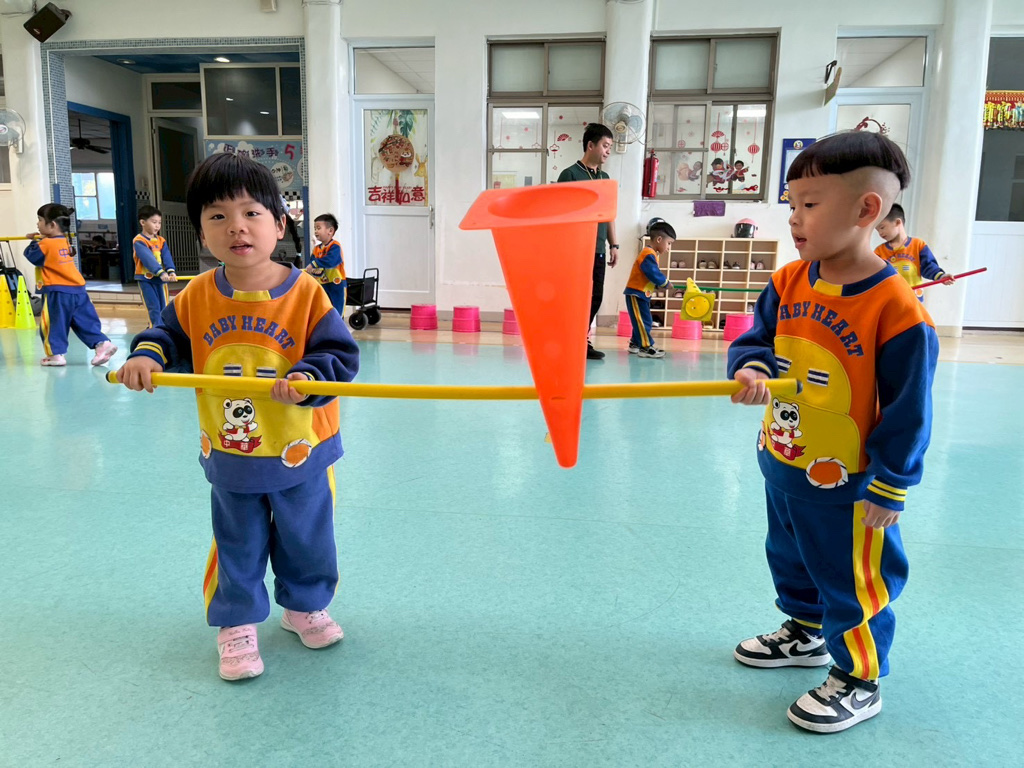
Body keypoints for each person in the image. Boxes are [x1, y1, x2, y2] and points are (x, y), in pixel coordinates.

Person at [115, 153, 360, 682]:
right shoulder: (197, 295)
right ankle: (237, 622)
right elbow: (167, 336)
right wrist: (147, 355)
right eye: (218, 216)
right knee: (237, 542)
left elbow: (339, 356)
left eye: (251, 213)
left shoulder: (307, 294)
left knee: (308, 537)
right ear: (201, 232)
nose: (237, 227)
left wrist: (310, 377)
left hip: (301, 449)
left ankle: (305, 605)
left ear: (279, 224)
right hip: (232, 450)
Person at [727, 131, 939, 733]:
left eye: (810, 204)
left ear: (867, 209)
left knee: (853, 579)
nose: (794, 219)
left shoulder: (897, 310)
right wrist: (751, 367)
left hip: (851, 482)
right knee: (790, 556)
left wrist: (891, 483)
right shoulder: (787, 282)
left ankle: (860, 678)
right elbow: (756, 340)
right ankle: (805, 632)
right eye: (792, 204)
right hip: (785, 458)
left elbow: (909, 409)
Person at [23, 204, 117, 367]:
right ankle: (102, 344)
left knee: (54, 323)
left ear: (52, 225)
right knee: (84, 320)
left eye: (40, 220)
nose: (37, 224)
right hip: (78, 289)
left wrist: (34, 241)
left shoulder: (46, 244)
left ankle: (55, 355)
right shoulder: (64, 241)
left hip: (57, 291)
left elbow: (32, 256)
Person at [556, 123, 618, 361]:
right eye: (605, 145)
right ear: (590, 145)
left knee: (596, 297)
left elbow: (609, 214)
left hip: (598, 249)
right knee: (575, 298)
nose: (608, 151)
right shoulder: (570, 175)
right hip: (575, 250)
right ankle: (570, 340)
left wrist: (614, 245)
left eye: (610, 147)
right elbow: (561, 215)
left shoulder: (604, 178)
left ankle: (580, 339)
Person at [874, 203, 954, 300]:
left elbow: (928, 266)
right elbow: (874, 276)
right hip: (890, 300)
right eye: (877, 230)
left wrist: (941, 276)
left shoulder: (918, 245)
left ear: (897, 222)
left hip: (913, 300)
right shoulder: (879, 251)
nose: (880, 233)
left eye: (882, 227)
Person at [624, 218, 673, 359]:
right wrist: (665, 282)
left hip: (641, 293)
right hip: (637, 293)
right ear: (659, 239)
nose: (669, 248)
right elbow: (652, 272)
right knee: (644, 321)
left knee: (640, 320)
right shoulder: (648, 254)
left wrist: (658, 285)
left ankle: (635, 343)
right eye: (669, 243)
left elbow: (647, 276)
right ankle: (645, 347)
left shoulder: (651, 253)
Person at [132, 205, 178, 328]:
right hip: (146, 279)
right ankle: (156, 329)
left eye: (159, 222)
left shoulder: (161, 240)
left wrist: (171, 271)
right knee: (153, 306)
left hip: (160, 279)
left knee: (164, 306)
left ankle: (164, 328)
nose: (157, 226)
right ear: (143, 222)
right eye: (154, 222)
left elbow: (166, 256)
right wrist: (160, 272)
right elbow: (148, 259)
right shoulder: (139, 241)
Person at [306, 213, 347, 315]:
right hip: (322, 282)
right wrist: (312, 269)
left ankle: (337, 323)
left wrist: (314, 265)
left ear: (330, 231)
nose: (316, 231)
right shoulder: (316, 248)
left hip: (336, 283)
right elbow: (312, 262)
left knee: (337, 307)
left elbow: (331, 261)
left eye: (318, 228)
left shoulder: (335, 246)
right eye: (315, 228)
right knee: (323, 307)